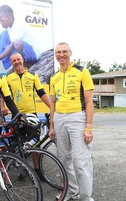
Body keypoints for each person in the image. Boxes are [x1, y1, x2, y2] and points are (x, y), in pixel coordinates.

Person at [48, 42, 94, 201]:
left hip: (77, 117)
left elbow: (89, 102)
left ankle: (86, 197)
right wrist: (51, 126)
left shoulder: (82, 71)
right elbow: (52, 102)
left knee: (82, 161)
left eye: (64, 51)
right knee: (63, 159)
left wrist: (88, 127)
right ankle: (71, 191)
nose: (61, 55)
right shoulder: (54, 77)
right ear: (55, 55)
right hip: (59, 118)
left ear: (70, 53)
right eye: (58, 52)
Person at [6, 52, 51, 181]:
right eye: (14, 60)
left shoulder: (32, 75)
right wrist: (3, 108)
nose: (17, 62)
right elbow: (4, 95)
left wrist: (52, 107)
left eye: (18, 59)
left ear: (23, 60)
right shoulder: (8, 78)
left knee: (35, 144)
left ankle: (37, 171)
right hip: (17, 116)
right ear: (12, 63)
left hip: (32, 114)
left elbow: (41, 92)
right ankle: (25, 169)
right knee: (20, 145)